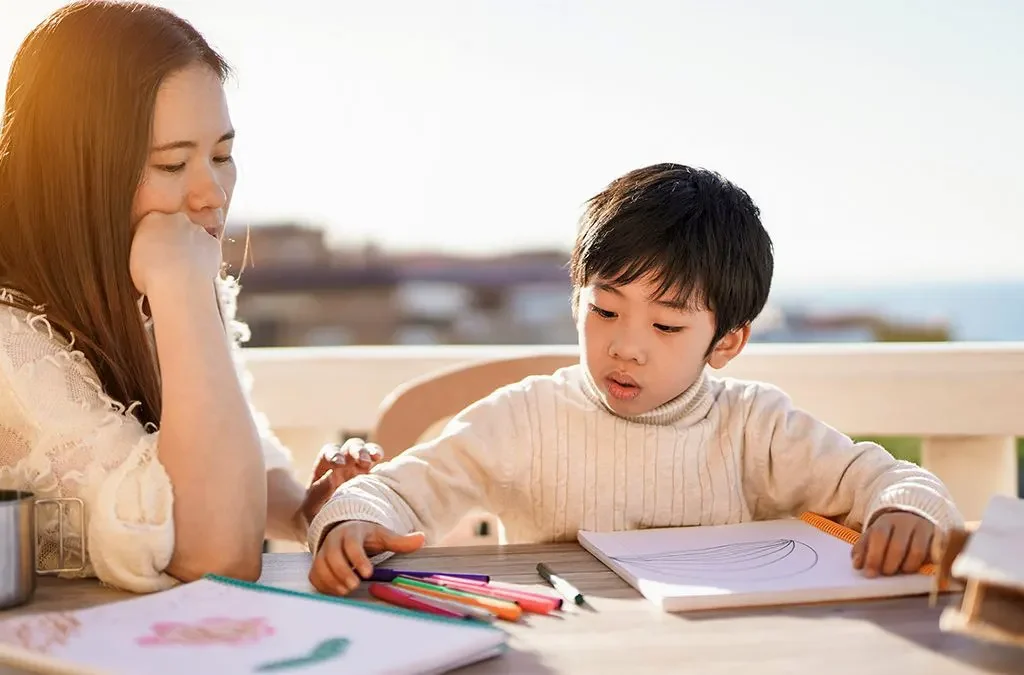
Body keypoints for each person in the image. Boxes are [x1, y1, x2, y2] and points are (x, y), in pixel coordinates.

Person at [307, 163, 964, 595]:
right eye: (605, 309)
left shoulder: (757, 427)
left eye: (668, 327)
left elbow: (886, 479)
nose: (626, 346)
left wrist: (905, 506)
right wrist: (352, 517)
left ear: (728, 341)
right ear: (575, 299)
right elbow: (399, 492)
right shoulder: (525, 417)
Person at [0, 0, 380, 594]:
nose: (212, 192)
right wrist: (181, 289)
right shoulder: (12, 344)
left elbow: (222, 451)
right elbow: (217, 556)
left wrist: (302, 505)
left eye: (222, 155)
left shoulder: (163, 278)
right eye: (173, 163)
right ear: (75, 174)